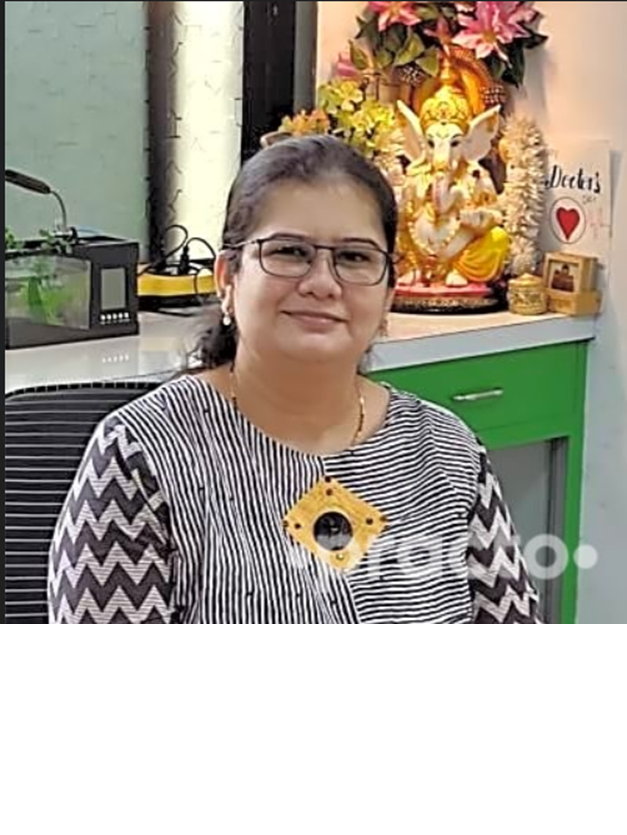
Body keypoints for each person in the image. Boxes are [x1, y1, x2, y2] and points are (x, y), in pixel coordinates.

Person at [48, 135, 540, 624]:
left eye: (354, 257)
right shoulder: (141, 453)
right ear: (227, 278)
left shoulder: (446, 450)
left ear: (389, 294)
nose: (322, 283)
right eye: (289, 252)